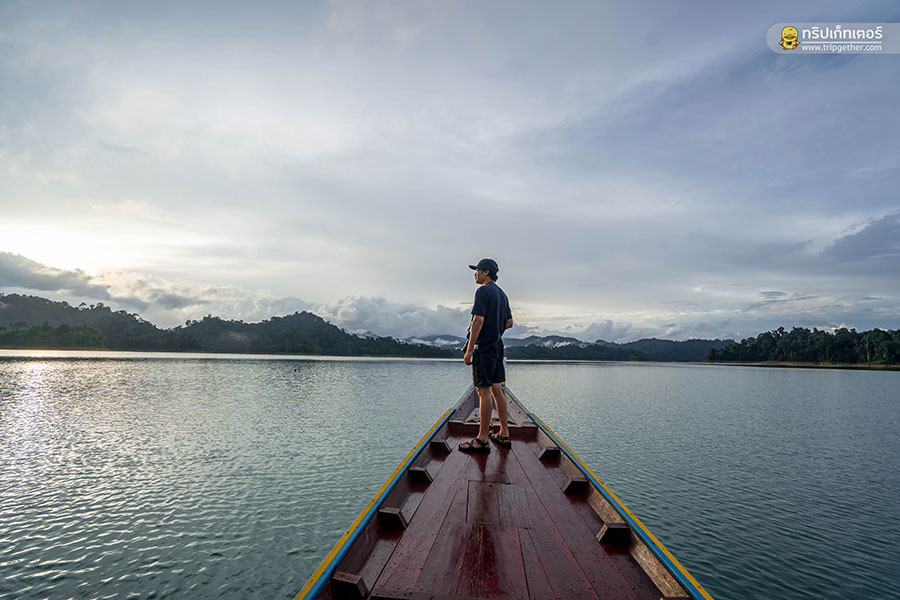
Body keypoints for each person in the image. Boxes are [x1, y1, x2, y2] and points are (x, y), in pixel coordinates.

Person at [459, 258, 514, 452]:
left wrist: (469, 350)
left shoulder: (483, 291)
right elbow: (509, 322)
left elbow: (478, 321)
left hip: (483, 348)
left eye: (477, 270)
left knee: (483, 392)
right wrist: (495, 332)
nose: (475, 274)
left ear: (486, 272)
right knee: (496, 388)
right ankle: (504, 433)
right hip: (497, 347)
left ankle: (482, 439)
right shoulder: (502, 294)